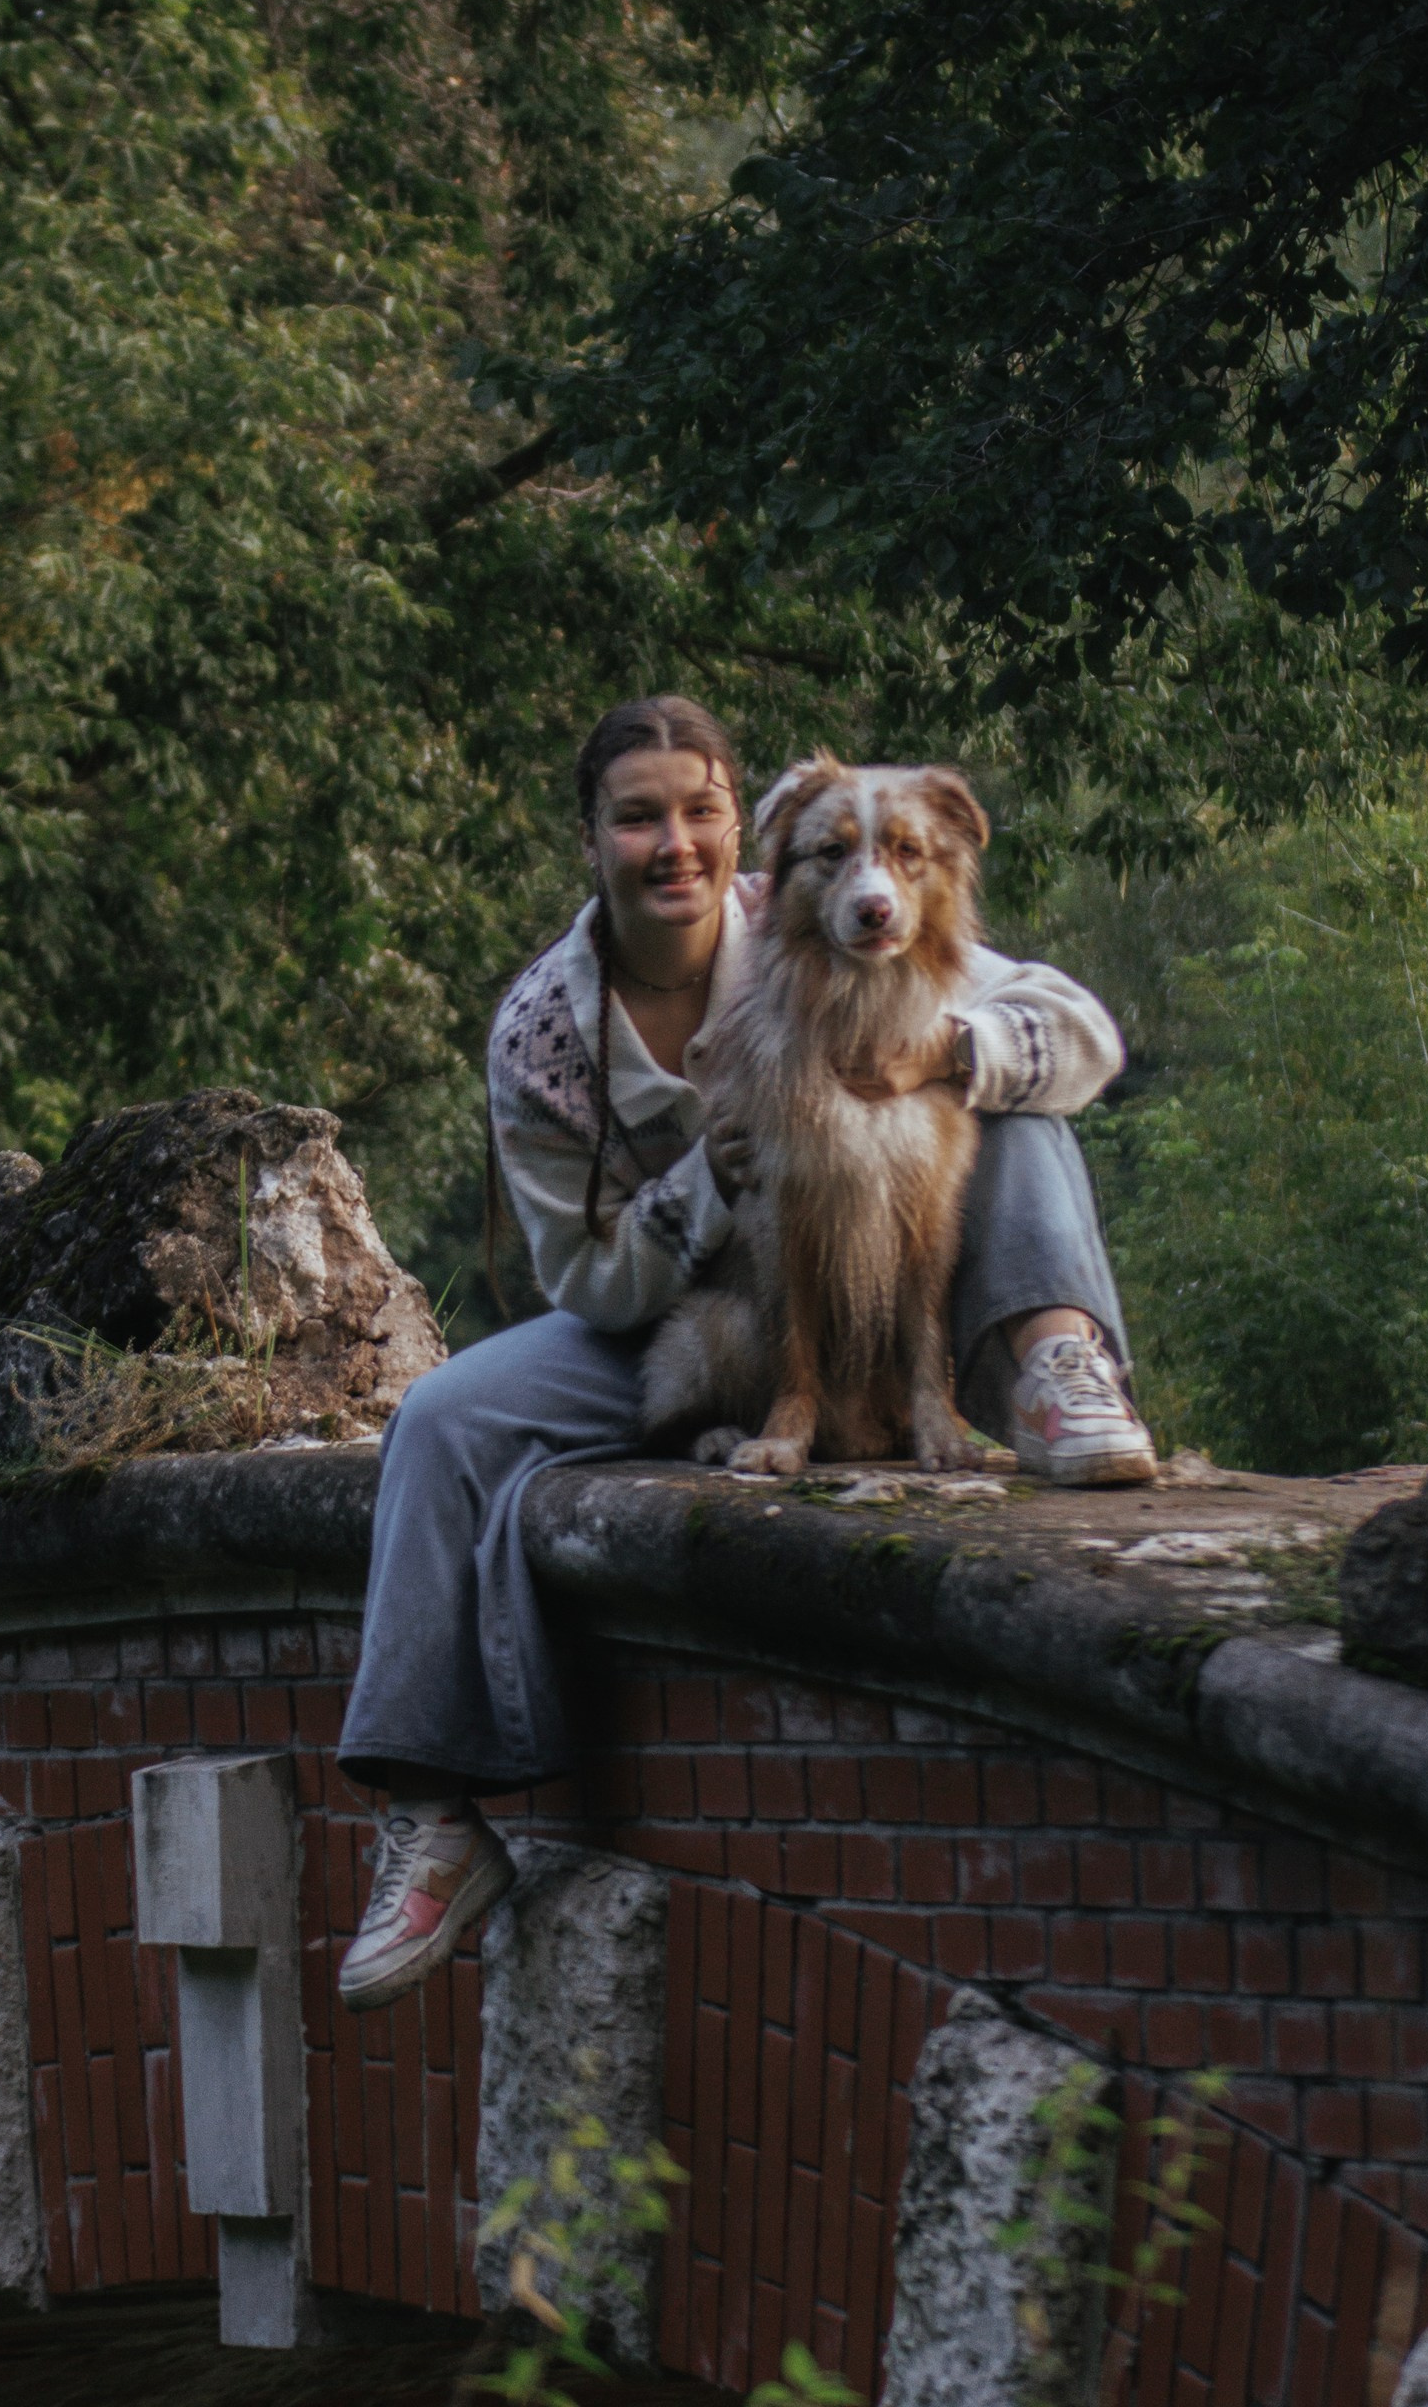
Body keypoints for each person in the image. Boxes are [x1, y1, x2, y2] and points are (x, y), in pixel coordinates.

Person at [334, 693, 1151, 2009]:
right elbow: (585, 1280)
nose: (676, 844)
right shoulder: (544, 1032)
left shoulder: (830, 904)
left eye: (699, 811)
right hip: (678, 1319)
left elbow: (1087, 1042)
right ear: (590, 838)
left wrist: (954, 1046)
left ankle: (1058, 1374)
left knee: (1019, 1110)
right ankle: (433, 1815)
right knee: (440, 1418)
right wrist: (701, 1190)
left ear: (738, 829)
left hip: (883, 1301)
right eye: (638, 817)